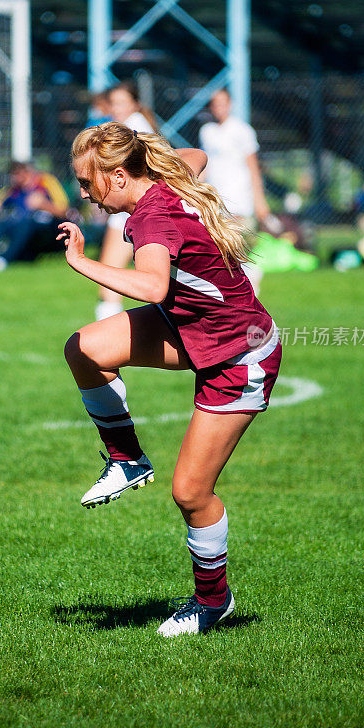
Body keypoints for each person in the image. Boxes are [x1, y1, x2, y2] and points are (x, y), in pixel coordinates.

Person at [57, 122, 282, 638]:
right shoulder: (165, 183)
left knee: (190, 492)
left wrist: (82, 262)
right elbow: (197, 154)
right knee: (84, 348)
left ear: (117, 176)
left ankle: (212, 602)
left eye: (88, 183)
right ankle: (126, 459)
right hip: (193, 329)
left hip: (238, 354)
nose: (83, 193)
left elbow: (153, 282)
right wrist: (154, 160)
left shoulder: (152, 218)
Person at [199, 89, 282, 293]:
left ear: (230, 104)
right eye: (215, 103)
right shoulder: (207, 131)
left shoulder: (241, 130)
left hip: (237, 194)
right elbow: (206, 165)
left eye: (222, 103)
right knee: (221, 242)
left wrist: (259, 200)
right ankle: (244, 277)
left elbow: (253, 167)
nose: (219, 107)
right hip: (215, 194)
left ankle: (247, 278)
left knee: (232, 241)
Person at [94, 81, 157, 321]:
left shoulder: (132, 128)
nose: (116, 108)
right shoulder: (134, 126)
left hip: (128, 209)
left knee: (109, 280)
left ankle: (107, 341)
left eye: (122, 103)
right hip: (134, 208)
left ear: (135, 104)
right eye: (114, 103)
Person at [0, 161, 69, 270]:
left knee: (26, 224)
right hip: (20, 227)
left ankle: (3, 260)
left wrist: (44, 205)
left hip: (48, 229)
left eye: (18, 174)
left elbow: (64, 211)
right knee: (3, 222)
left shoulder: (46, 181)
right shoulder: (13, 190)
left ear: (28, 172)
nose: (15, 178)